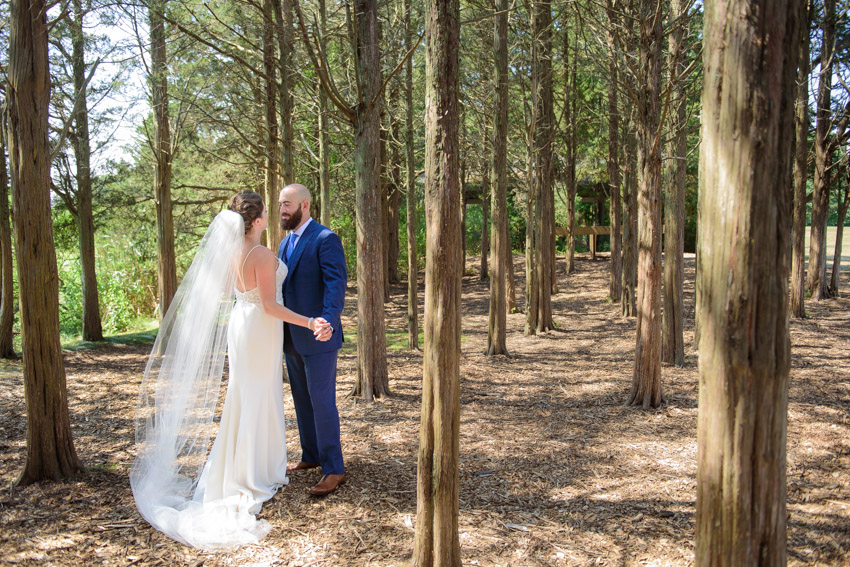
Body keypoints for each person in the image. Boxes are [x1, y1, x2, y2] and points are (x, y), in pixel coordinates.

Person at [131, 191, 330, 550]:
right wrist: (308, 321)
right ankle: (255, 473)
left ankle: (248, 466)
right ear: (255, 222)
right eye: (267, 212)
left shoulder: (233, 251)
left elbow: (235, 291)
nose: (271, 215)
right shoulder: (262, 254)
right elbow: (270, 305)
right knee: (257, 394)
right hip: (259, 326)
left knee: (244, 394)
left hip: (242, 323)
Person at [277, 183, 347, 496]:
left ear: (305, 205)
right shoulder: (283, 243)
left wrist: (329, 322)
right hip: (290, 336)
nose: (282, 210)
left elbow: (336, 284)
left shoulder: (325, 238)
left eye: (287, 204)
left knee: (322, 402)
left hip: (319, 335)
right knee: (302, 401)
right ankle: (311, 456)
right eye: (280, 204)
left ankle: (334, 468)